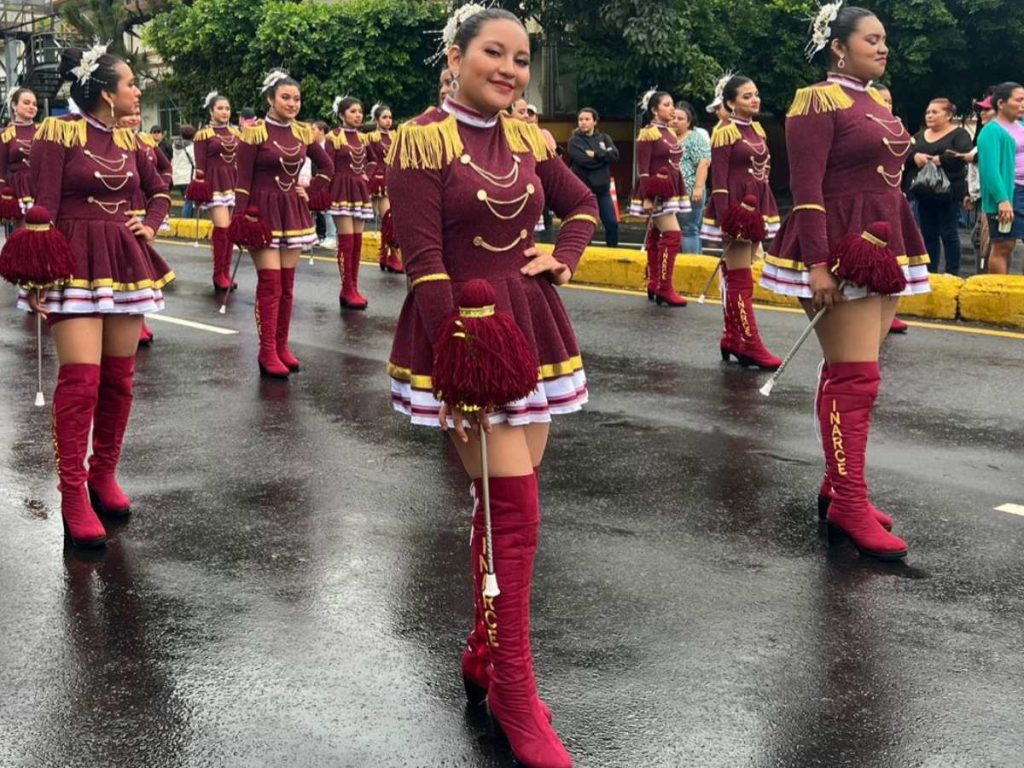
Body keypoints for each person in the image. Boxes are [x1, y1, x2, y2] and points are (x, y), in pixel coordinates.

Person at [386, 7, 598, 766]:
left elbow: (580, 205)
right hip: (468, 334)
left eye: (521, 58)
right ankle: (512, 689)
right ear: (455, 56)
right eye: (493, 54)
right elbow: (421, 256)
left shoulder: (526, 136)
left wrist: (561, 257)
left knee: (503, 503)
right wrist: (458, 352)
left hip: (532, 327)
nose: (510, 69)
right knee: (514, 513)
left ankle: (484, 649)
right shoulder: (419, 139)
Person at [762, 5, 931, 560]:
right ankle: (849, 502)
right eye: (872, 39)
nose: (884, 48)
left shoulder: (878, 100)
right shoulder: (816, 100)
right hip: (838, 244)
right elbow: (806, 188)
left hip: (885, 240)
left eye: (885, 40)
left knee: (852, 373)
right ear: (839, 46)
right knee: (856, 378)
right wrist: (816, 264)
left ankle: (837, 488)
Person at [15, 47, 174, 551]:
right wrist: (34, 278)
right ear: (106, 91)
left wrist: (148, 225)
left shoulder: (131, 139)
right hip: (74, 262)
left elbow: (160, 188)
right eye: (130, 83)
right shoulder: (57, 133)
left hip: (123, 263)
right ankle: (73, 493)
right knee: (81, 382)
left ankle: (104, 475)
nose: (137, 90)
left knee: (119, 381)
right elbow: (42, 207)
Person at [231, 68, 333, 377]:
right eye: (285, 98)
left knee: (288, 286)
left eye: (296, 99)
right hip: (261, 213)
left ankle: (281, 346)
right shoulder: (254, 132)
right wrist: (241, 216)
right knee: (271, 283)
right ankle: (266, 352)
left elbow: (327, 165)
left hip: (292, 212)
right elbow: (242, 178)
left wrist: (312, 190)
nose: (292, 104)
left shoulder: (303, 132)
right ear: (270, 99)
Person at [701, 75, 782, 369]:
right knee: (740, 277)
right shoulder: (725, 131)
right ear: (731, 102)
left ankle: (733, 336)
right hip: (735, 207)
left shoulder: (757, 129)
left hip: (756, 204)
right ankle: (748, 341)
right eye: (747, 96)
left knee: (741, 272)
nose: (755, 100)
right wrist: (727, 218)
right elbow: (718, 180)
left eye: (756, 94)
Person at [629, 89, 690, 306]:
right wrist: (647, 196)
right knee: (673, 234)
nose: (672, 108)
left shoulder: (669, 132)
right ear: (654, 110)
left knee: (656, 236)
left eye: (672, 104)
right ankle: (665, 287)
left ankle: (654, 283)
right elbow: (643, 169)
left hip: (670, 189)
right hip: (656, 193)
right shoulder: (649, 133)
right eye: (666, 105)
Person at [905, 98, 972, 275]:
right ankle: (930, 274)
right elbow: (905, 154)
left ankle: (952, 274)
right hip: (923, 194)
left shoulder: (959, 134)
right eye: (928, 112)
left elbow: (963, 157)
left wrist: (938, 160)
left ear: (948, 115)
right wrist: (915, 157)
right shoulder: (920, 135)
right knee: (928, 236)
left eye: (935, 112)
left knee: (949, 235)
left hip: (947, 195)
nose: (930, 116)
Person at [188, 92, 241, 291]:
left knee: (231, 231)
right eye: (220, 108)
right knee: (223, 228)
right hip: (215, 185)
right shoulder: (203, 135)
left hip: (233, 183)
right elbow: (200, 166)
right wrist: (199, 191)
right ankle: (218, 274)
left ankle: (225, 272)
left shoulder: (237, 134)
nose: (224, 112)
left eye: (227, 108)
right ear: (211, 111)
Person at [326, 96, 374, 310]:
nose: (358, 115)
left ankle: (354, 286)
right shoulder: (333, 137)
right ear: (341, 114)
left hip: (359, 190)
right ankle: (346, 289)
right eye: (353, 111)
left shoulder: (363, 138)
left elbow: (374, 160)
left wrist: (367, 175)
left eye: (360, 111)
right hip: (341, 191)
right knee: (346, 242)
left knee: (357, 242)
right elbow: (326, 166)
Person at [976, 81, 1024, 274]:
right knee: (1004, 246)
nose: (1022, 104)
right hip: (1009, 191)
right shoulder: (991, 131)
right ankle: (998, 295)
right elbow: (990, 170)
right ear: (1001, 103)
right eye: (1019, 100)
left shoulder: (1021, 127)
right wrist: (1003, 200)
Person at [567, 106, 620, 246]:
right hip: (583, 192)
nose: (583, 122)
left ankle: (613, 254)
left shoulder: (604, 138)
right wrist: (603, 160)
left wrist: (596, 154)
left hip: (603, 191)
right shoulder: (575, 141)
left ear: (595, 121)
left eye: (587, 119)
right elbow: (583, 161)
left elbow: (615, 155)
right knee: (586, 227)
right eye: (580, 119)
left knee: (612, 223)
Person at [672, 101, 710, 255]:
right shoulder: (667, 137)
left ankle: (692, 266)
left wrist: (698, 188)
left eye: (680, 119)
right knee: (673, 231)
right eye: (673, 117)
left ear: (688, 122)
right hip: (670, 193)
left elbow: (703, 163)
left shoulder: (695, 138)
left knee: (689, 230)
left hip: (690, 192)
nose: (675, 121)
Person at [367, 103, 401, 272]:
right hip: (380, 180)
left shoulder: (396, 136)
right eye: (384, 117)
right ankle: (391, 256)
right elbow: (370, 161)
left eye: (390, 117)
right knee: (388, 219)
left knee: (392, 220)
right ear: (377, 119)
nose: (388, 121)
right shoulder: (371, 137)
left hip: (394, 178)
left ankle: (386, 257)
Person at [965, 94, 996, 271]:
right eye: (981, 110)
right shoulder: (985, 134)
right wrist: (969, 194)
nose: (982, 113)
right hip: (982, 198)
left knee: (989, 243)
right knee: (980, 241)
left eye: (987, 109)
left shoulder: (1001, 133)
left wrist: (975, 157)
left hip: (995, 199)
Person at [0, 87, 38, 214]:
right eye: (26, 103)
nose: (32, 107)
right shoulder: (6, 134)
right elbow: (1, 169)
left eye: (34, 104)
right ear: (14, 105)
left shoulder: (43, 131)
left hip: (40, 187)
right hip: (17, 190)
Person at [172, 124, 197, 219]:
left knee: (188, 200)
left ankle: (188, 218)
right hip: (188, 178)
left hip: (178, 178)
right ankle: (186, 220)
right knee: (189, 201)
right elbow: (195, 162)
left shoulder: (175, 145)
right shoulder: (192, 148)